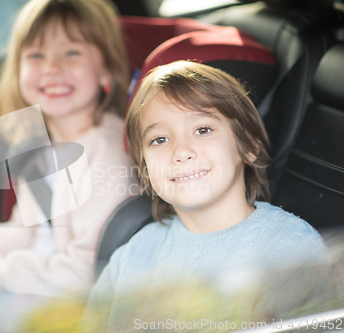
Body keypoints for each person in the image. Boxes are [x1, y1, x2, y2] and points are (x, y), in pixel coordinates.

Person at [81, 61, 330, 331]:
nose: (181, 151)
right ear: (144, 169)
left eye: (203, 130)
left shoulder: (289, 249)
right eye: (160, 139)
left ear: (248, 146)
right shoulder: (132, 255)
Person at [0, 0, 138, 296]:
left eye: (72, 53)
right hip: (31, 285)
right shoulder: (36, 146)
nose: (52, 68)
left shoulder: (107, 153)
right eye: (35, 55)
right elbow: (26, 227)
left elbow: (86, 274)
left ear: (106, 70)